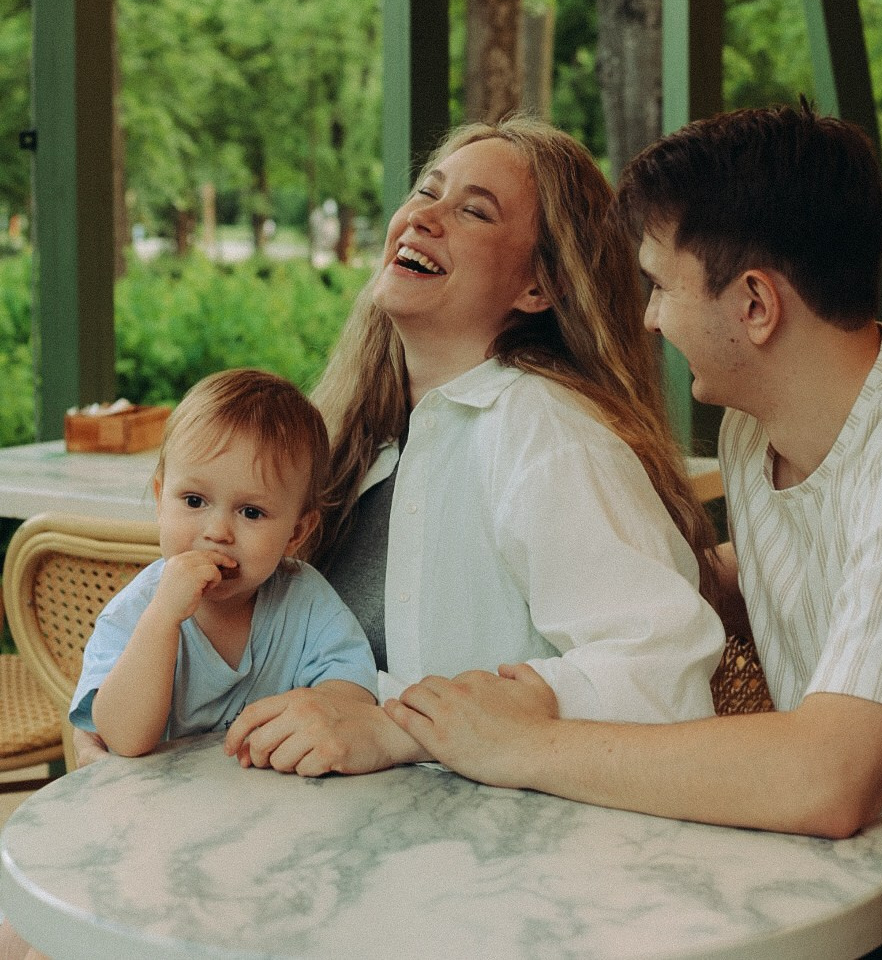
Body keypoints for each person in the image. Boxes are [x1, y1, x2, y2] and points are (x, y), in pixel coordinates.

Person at [387, 106, 882, 959]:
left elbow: (828, 778)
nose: (648, 320)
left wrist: (528, 741)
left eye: (661, 287)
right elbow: (789, 567)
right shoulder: (762, 432)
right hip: (863, 878)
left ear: (755, 303)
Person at [221, 118, 727, 776]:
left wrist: (403, 728)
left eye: (473, 211)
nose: (424, 218)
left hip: (491, 860)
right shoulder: (355, 434)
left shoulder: (545, 432)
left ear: (538, 288)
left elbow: (661, 674)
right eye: (427, 192)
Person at [71, 367, 379, 757]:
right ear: (160, 500)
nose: (218, 532)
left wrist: (316, 713)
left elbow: (353, 699)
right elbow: (124, 739)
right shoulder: (136, 613)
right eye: (194, 501)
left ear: (296, 533)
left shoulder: (306, 602)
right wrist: (163, 618)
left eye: (251, 512)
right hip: (160, 808)